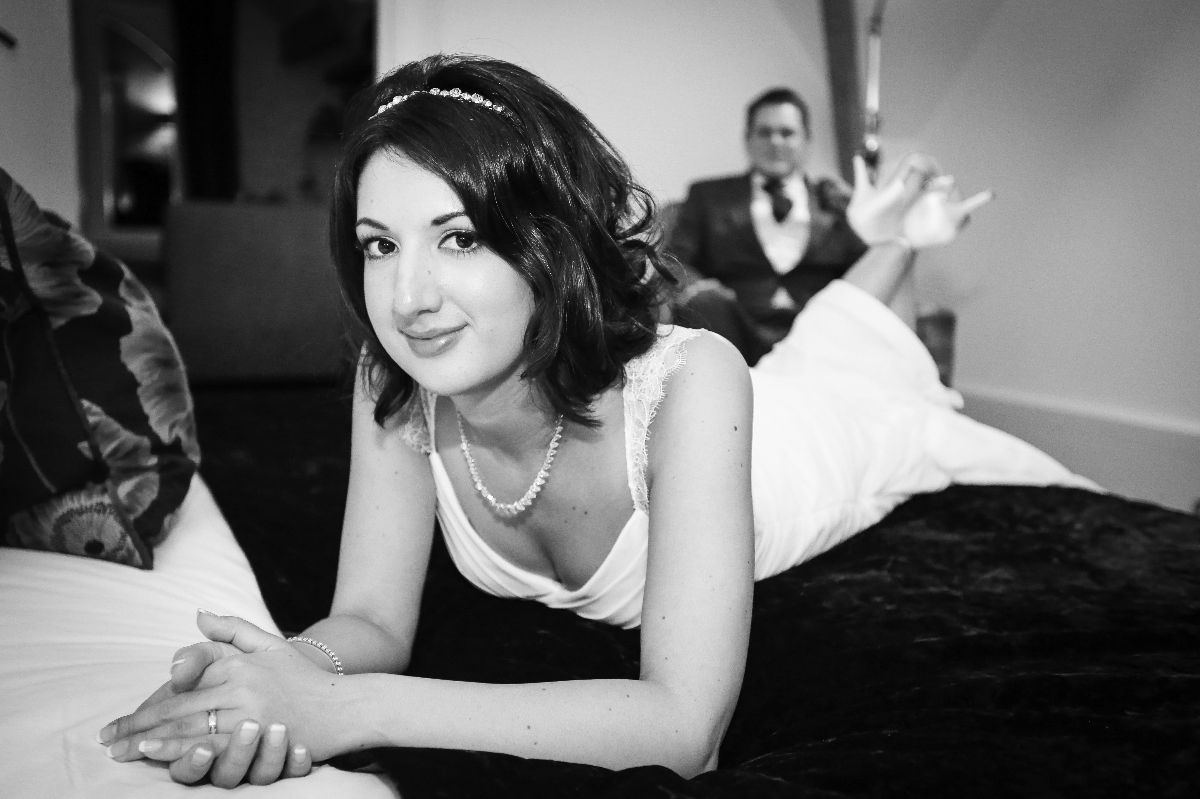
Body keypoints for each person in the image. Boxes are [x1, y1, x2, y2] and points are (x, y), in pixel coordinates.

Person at [96, 53, 1090, 788]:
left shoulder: (693, 381)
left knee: (859, 370)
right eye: (378, 244)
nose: (408, 298)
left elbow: (683, 728)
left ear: (548, 240)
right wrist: (286, 671)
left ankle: (898, 242)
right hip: (779, 394)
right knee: (829, 340)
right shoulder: (391, 380)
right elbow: (372, 620)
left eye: (459, 237)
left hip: (815, 442)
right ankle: (894, 245)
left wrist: (345, 708)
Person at [667, 87, 872, 365]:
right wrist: (702, 289)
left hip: (816, 335)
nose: (775, 142)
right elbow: (674, 260)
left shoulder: (835, 202)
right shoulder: (708, 196)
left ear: (806, 140)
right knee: (706, 304)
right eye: (764, 132)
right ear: (748, 139)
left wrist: (863, 217)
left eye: (787, 133)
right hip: (734, 332)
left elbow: (865, 268)